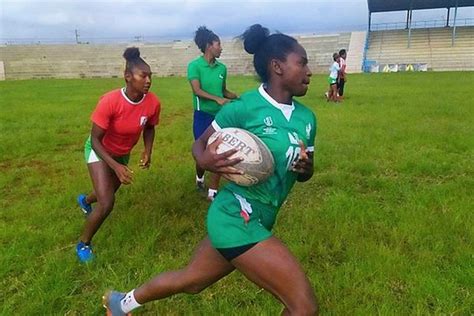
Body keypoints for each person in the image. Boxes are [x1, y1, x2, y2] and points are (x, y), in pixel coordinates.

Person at [103, 24, 318, 315]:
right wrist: (205, 162)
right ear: (277, 66)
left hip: (264, 216)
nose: (309, 71)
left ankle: (121, 303)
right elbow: (199, 145)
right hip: (235, 216)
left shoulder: (307, 119)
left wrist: (306, 168)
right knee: (303, 306)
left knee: (191, 280)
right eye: (302, 63)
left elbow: (305, 174)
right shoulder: (245, 107)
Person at [75, 47, 161, 262]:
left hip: (122, 154)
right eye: (144, 75)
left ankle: (84, 200)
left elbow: (150, 127)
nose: (148, 80)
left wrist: (147, 151)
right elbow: (95, 139)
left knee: (107, 191)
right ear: (128, 77)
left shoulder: (153, 103)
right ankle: (83, 244)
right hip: (99, 151)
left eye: (150, 75)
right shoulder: (110, 101)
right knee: (106, 202)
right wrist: (115, 166)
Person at [187, 26, 238, 201]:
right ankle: (199, 178)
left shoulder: (222, 68)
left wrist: (238, 98)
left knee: (220, 151)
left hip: (220, 117)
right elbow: (197, 90)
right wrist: (216, 99)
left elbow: (223, 91)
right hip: (202, 115)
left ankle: (212, 192)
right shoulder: (194, 66)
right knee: (202, 152)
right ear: (209, 45)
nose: (221, 48)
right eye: (218, 44)